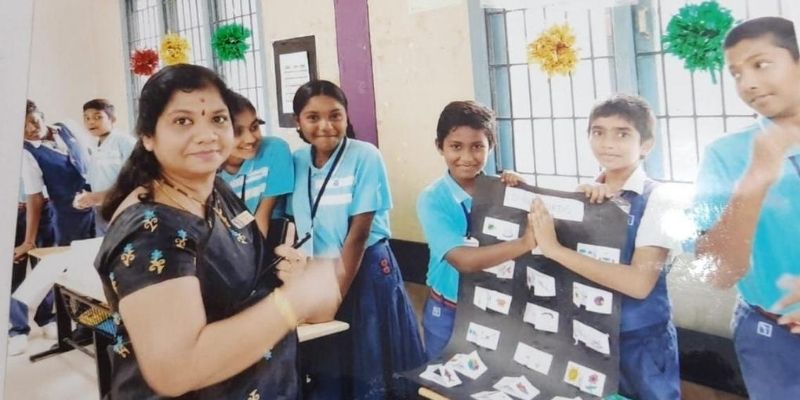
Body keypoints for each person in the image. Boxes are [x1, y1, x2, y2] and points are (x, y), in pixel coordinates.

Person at [94, 63, 340, 398]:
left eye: (218, 119)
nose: (207, 134)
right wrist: (292, 302)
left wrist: (291, 274)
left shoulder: (214, 191)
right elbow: (176, 370)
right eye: (183, 121)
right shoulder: (150, 230)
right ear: (148, 137)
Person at [529, 94, 680, 400]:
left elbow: (639, 284)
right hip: (587, 335)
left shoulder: (659, 199)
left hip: (639, 342)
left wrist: (556, 249)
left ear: (646, 145)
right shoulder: (583, 194)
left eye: (622, 134)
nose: (608, 143)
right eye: (598, 132)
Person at [289, 79, 424, 399]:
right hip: (317, 272)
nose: (325, 126)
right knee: (329, 363)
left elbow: (358, 235)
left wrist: (333, 298)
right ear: (298, 121)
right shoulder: (296, 160)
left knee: (370, 362)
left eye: (335, 115)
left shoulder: (365, 156)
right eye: (313, 117)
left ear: (346, 117)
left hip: (364, 269)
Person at [692, 17, 800, 399]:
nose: (747, 83)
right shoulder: (726, 155)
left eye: (761, 64)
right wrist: (754, 180)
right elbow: (716, 273)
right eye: (736, 73)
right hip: (771, 338)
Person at [416, 100, 536, 361]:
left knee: (491, 376)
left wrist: (524, 193)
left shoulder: (505, 191)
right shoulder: (432, 198)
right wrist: (524, 243)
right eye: (456, 146)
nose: (467, 158)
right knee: (445, 375)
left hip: (496, 309)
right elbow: (463, 260)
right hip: (448, 312)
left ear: (491, 146)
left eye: (477, 146)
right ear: (440, 146)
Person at [8, 100, 96, 355]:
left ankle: (74, 322)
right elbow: (34, 196)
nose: (30, 129)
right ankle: (19, 330)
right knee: (26, 271)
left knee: (91, 267)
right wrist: (28, 240)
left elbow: (90, 160)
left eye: (33, 121)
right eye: (22, 126)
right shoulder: (27, 152)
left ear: (41, 114)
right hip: (62, 214)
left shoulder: (68, 127)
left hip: (92, 208)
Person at [218, 92, 293, 236]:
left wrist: (257, 251)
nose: (250, 139)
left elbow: (263, 215)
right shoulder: (209, 170)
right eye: (237, 132)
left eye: (254, 127)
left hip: (267, 238)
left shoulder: (275, 150)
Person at [73, 98, 136, 235]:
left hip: (124, 206)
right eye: (87, 118)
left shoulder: (124, 141)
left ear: (112, 119)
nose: (91, 122)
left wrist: (101, 196)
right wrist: (84, 197)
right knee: (104, 243)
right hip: (101, 209)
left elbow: (135, 179)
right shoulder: (94, 145)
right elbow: (92, 179)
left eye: (98, 117)